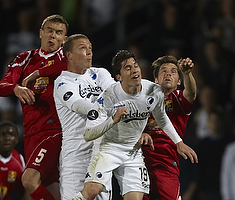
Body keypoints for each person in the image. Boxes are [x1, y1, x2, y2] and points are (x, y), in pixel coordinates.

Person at [73, 50, 198, 200]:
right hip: (116, 148)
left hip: (148, 157)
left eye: (135, 65)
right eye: (128, 68)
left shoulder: (158, 94)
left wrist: (179, 142)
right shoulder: (109, 97)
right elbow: (89, 134)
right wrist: (114, 120)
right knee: (92, 191)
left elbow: (166, 116)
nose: (134, 70)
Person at [0, 14, 69, 200]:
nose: (53, 36)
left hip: (53, 129)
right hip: (31, 132)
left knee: (29, 180)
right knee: (50, 187)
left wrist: (39, 73)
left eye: (58, 33)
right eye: (49, 31)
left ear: (64, 39)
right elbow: (0, 88)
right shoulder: (24, 58)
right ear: (40, 33)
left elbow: (74, 64)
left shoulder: (66, 59)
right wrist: (16, 88)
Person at [53, 34, 115, 200]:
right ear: (69, 55)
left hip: (101, 157)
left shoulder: (100, 73)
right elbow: (81, 106)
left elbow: (118, 96)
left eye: (90, 48)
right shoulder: (62, 83)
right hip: (76, 159)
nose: (89, 53)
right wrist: (107, 108)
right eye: (83, 48)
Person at [139, 55, 197, 200]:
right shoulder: (142, 100)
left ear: (179, 80)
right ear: (156, 80)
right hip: (138, 164)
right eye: (163, 71)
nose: (168, 73)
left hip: (165, 165)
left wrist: (187, 73)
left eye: (173, 71)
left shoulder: (178, 99)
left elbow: (191, 93)